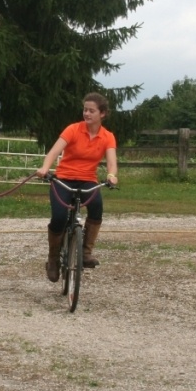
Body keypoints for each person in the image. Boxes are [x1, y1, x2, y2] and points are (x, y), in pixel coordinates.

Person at [34, 92, 119, 282]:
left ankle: (85, 253)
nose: (86, 114)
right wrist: (45, 168)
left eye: (91, 111)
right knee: (59, 217)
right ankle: (53, 258)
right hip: (63, 178)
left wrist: (112, 176)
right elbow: (54, 151)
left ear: (102, 114)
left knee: (97, 208)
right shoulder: (73, 129)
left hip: (88, 180)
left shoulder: (107, 137)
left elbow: (112, 161)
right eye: (85, 110)